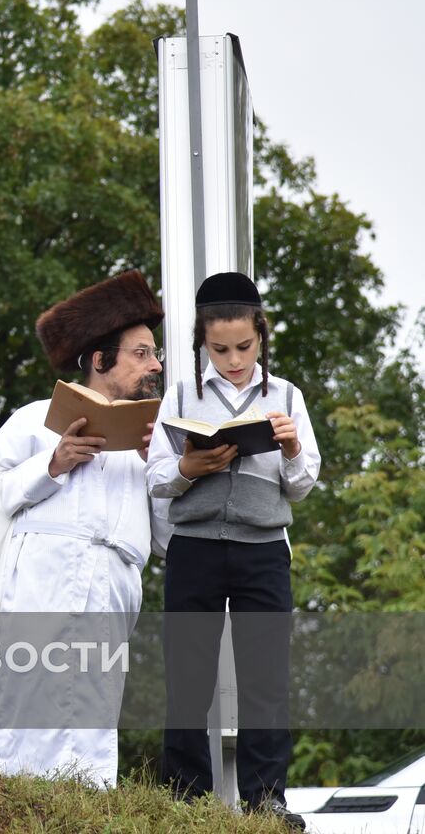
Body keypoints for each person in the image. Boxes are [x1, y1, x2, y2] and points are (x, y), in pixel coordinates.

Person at [0, 270, 167, 784]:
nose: (156, 364)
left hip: (112, 585)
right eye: (141, 353)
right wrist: (51, 465)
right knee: (20, 711)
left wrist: (158, 470)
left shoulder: (155, 439)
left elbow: (168, 538)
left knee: (90, 721)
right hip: (38, 579)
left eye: (155, 353)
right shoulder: (35, 419)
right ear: (100, 360)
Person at [146, 272, 320, 831]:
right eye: (219, 349)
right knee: (188, 677)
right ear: (202, 341)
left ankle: (266, 799)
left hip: (264, 550)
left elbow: (303, 482)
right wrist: (186, 468)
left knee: (265, 677)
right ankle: (185, 798)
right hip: (193, 546)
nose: (233, 359)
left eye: (244, 347)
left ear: (261, 336)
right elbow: (154, 476)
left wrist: (291, 448)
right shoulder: (180, 393)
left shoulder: (287, 394)